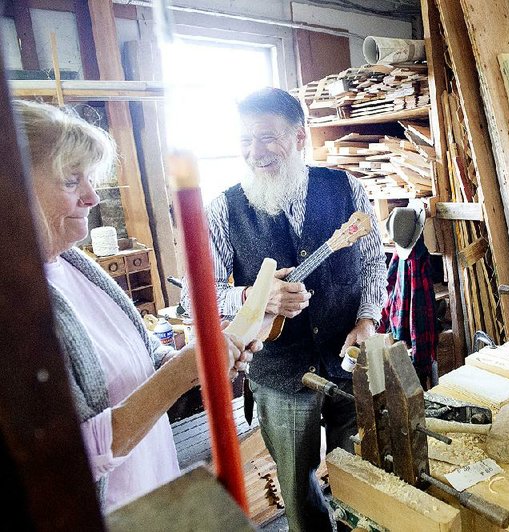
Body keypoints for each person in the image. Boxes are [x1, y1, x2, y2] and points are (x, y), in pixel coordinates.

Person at [15, 100, 256, 511]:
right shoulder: (16, 309)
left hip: (154, 493)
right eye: (72, 181)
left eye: (89, 179)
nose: (92, 197)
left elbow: (143, 358)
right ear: (11, 191)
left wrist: (197, 360)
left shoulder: (74, 264)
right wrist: (183, 373)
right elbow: (72, 457)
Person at [182, 87, 387, 531]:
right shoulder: (222, 209)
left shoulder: (346, 189)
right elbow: (194, 298)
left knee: (362, 480)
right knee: (296, 487)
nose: (255, 152)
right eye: (245, 141)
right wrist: (256, 297)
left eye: (267, 138)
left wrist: (368, 320)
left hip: (347, 362)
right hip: (277, 373)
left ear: (299, 138)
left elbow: (372, 262)